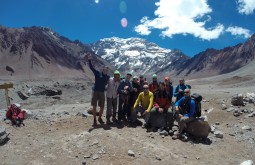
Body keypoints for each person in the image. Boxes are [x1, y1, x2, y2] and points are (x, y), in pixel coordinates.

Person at [88, 53, 110, 126]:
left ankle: (99, 117)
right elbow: (91, 68)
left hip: (102, 92)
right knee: (94, 106)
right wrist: (89, 60)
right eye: (105, 69)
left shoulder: (107, 77)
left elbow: (115, 80)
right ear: (103, 69)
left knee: (102, 106)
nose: (106, 70)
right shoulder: (98, 73)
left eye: (107, 69)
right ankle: (94, 119)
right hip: (95, 91)